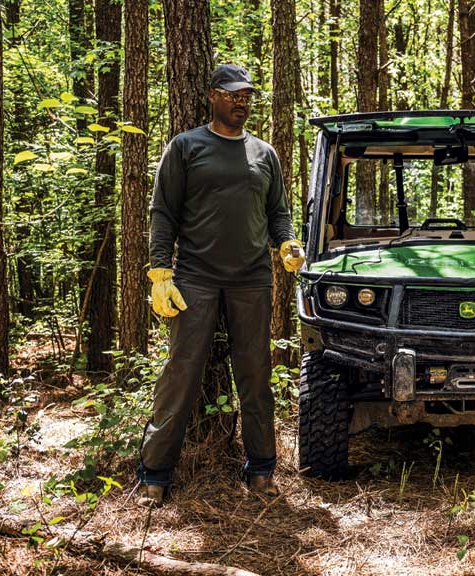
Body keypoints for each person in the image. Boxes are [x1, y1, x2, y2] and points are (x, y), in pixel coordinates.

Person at [137, 64, 304, 508]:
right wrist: (160, 272)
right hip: (196, 276)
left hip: (252, 277)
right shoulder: (186, 146)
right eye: (232, 94)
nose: (241, 101)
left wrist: (286, 242)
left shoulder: (264, 153)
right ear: (212, 96)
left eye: (246, 95)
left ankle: (262, 470)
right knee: (182, 371)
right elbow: (163, 211)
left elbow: (278, 211)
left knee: (255, 374)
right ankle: (154, 473)